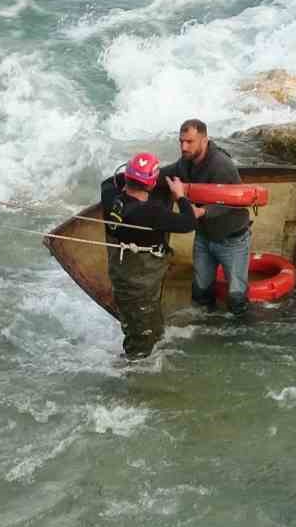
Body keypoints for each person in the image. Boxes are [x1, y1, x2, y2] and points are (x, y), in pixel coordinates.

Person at [100, 151, 205, 358]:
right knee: (140, 345)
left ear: (127, 177)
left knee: (150, 331)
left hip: (123, 278)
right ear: (151, 184)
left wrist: (138, 174)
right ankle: (130, 372)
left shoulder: (110, 196)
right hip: (140, 286)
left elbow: (109, 182)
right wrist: (180, 196)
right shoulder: (150, 213)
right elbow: (189, 222)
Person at [158, 119, 248, 316]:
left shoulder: (221, 165)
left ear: (204, 140)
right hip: (204, 236)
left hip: (231, 239)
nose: (184, 147)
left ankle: (242, 328)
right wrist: (139, 178)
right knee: (200, 291)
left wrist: (201, 212)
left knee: (236, 297)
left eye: (189, 142)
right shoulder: (186, 161)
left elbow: (233, 202)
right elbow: (166, 174)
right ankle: (204, 326)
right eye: (181, 141)